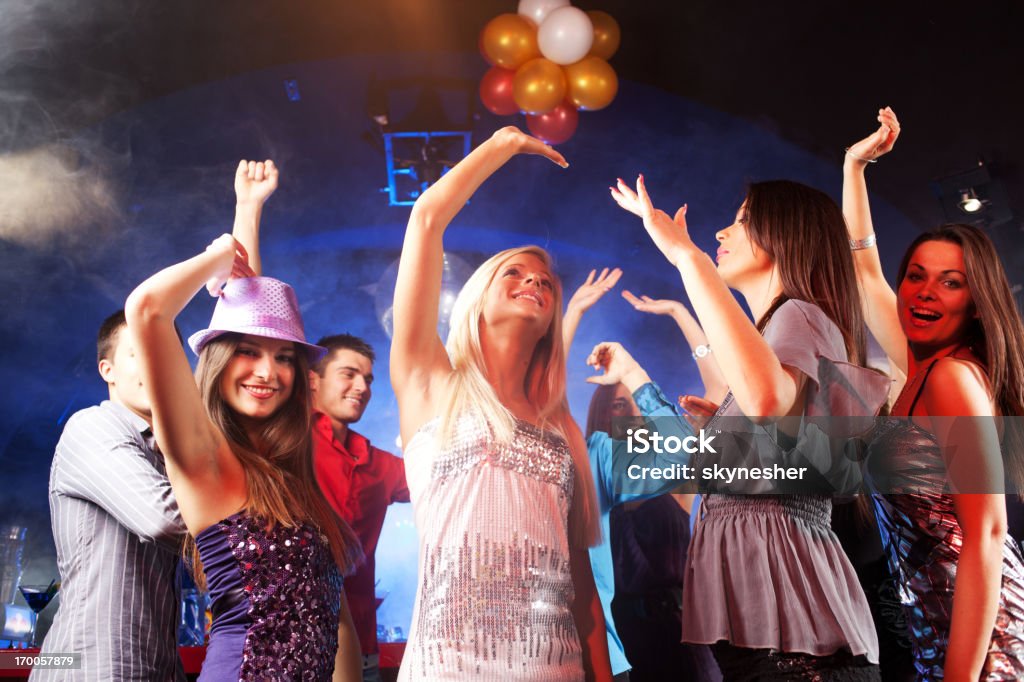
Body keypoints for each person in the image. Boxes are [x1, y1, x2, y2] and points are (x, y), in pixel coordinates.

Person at [611, 174, 889, 679]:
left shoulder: (800, 315)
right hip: (777, 641)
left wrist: (686, 257)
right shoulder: (785, 331)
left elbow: (764, 400)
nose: (720, 233)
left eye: (740, 221)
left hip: (799, 651)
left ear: (783, 234)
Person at [390, 126, 611, 681]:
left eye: (544, 280)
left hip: (554, 668)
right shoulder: (431, 381)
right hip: (448, 667)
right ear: (476, 300)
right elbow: (426, 219)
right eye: (512, 272)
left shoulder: (560, 426)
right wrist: (499, 148)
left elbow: (581, 578)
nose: (533, 280)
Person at [125, 169, 363, 679]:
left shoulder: (286, 478)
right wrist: (218, 256)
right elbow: (147, 309)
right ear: (219, 360)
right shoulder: (202, 456)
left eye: (283, 358)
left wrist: (249, 209)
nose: (267, 372)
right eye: (248, 353)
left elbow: (332, 618)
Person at [844, 108, 1024, 679]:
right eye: (916, 275)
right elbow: (865, 271)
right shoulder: (921, 368)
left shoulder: (951, 378)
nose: (925, 293)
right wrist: (854, 168)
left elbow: (988, 531)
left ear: (977, 301)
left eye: (951, 282)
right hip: (940, 634)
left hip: (986, 645)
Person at [34, 310, 187, 682]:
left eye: (168, 352)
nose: (157, 363)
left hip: (157, 668)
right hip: (91, 669)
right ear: (108, 371)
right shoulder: (93, 427)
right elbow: (164, 518)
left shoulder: (169, 454)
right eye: (140, 353)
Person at [310, 334, 411, 682]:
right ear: (313, 379)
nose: (362, 387)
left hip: (361, 647)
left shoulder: (379, 465)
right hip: (288, 643)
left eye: (367, 379)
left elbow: (444, 477)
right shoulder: (285, 444)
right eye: (348, 374)